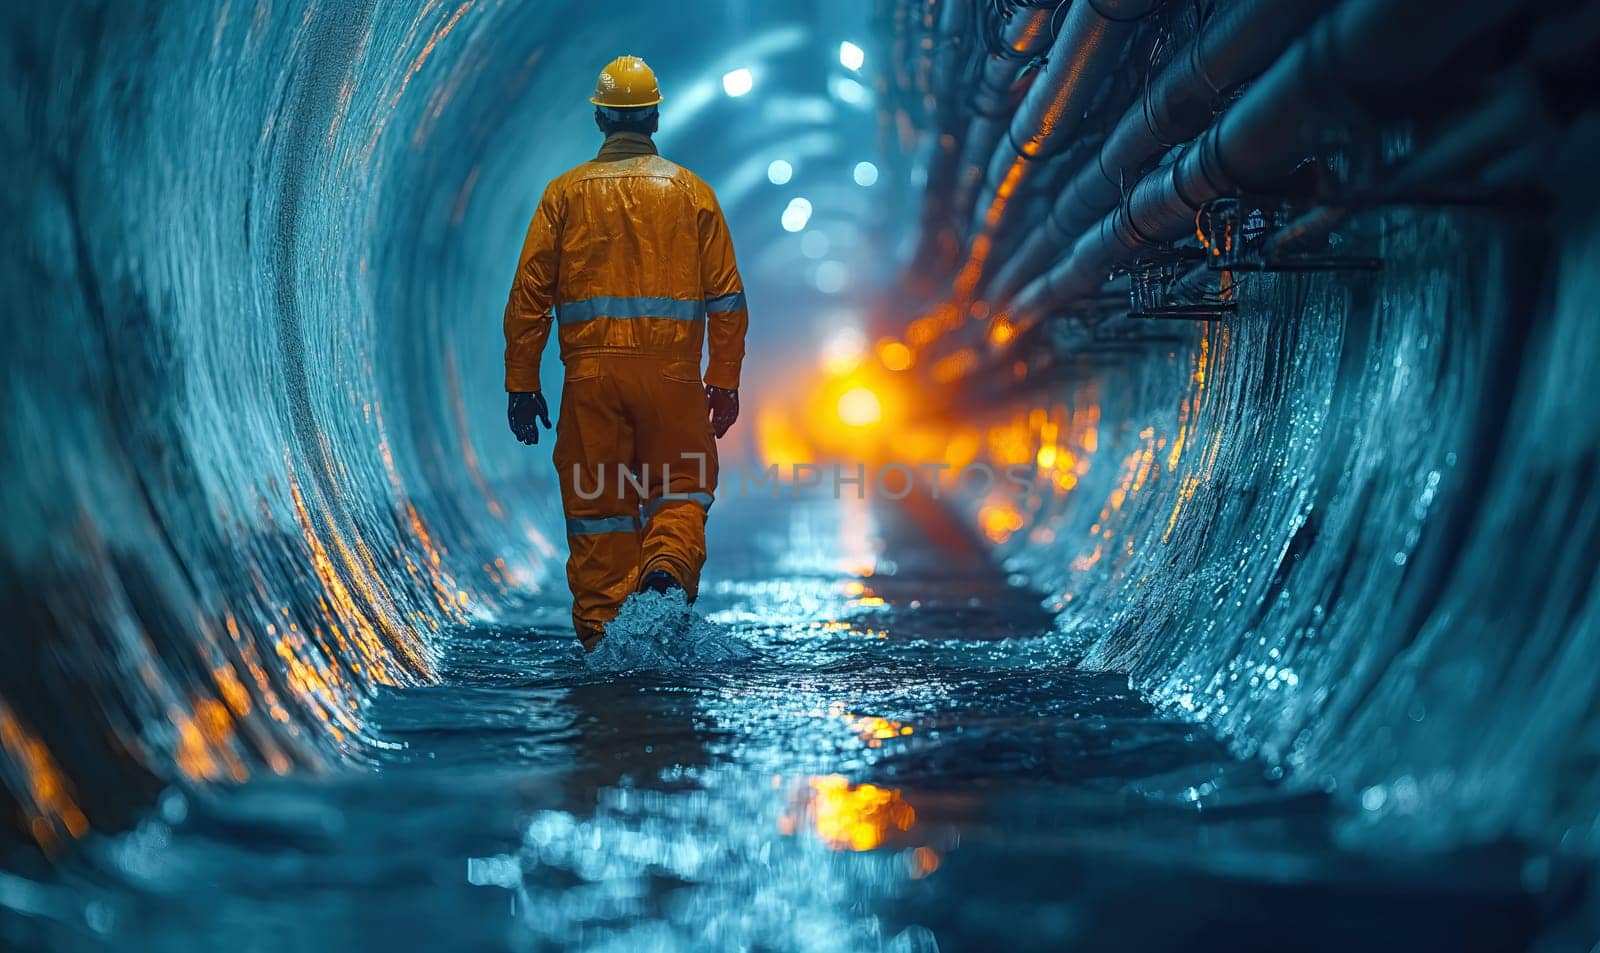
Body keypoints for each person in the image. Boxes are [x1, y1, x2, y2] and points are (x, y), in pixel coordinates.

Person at [503, 55, 748, 651]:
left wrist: (521, 382)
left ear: (600, 119)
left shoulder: (562, 196)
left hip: (591, 384)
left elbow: (529, 295)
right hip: (673, 381)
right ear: (656, 116)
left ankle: (607, 656)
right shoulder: (693, 194)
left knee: (599, 519)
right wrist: (723, 380)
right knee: (682, 492)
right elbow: (728, 301)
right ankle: (665, 569)